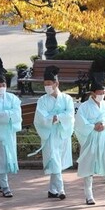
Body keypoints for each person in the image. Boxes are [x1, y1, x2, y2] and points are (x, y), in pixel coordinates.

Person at [74, 80, 105, 205]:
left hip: (104, 138)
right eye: (99, 93)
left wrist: (104, 125)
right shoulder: (84, 106)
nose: (102, 95)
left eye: (104, 92)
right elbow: (79, 124)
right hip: (90, 139)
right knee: (88, 167)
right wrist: (92, 126)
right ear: (92, 93)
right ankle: (89, 196)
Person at [33, 65, 75, 200]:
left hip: (62, 133)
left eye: (49, 84)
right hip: (49, 134)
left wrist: (58, 117)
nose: (47, 87)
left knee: (57, 161)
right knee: (54, 159)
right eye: (45, 84)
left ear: (56, 83)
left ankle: (52, 190)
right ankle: (61, 189)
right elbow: (40, 117)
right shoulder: (42, 100)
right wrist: (53, 118)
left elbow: (70, 114)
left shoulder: (67, 98)